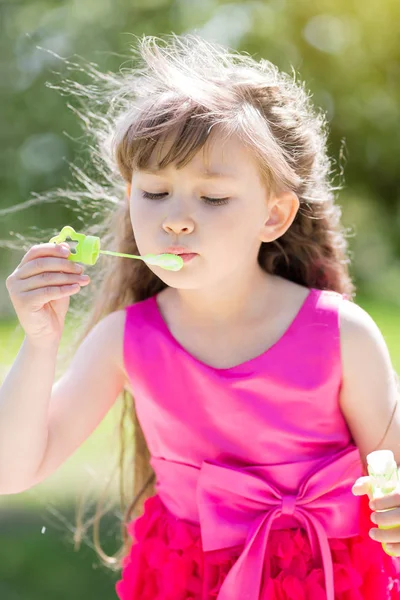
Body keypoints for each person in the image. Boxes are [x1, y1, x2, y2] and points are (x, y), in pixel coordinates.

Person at [2, 32, 400, 600]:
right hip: (188, 582)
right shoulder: (127, 339)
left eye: (212, 199)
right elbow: (15, 470)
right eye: (155, 192)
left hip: (333, 582)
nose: (176, 220)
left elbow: (394, 471)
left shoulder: (341, 333)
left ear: (274, 214)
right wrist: (40, 341)